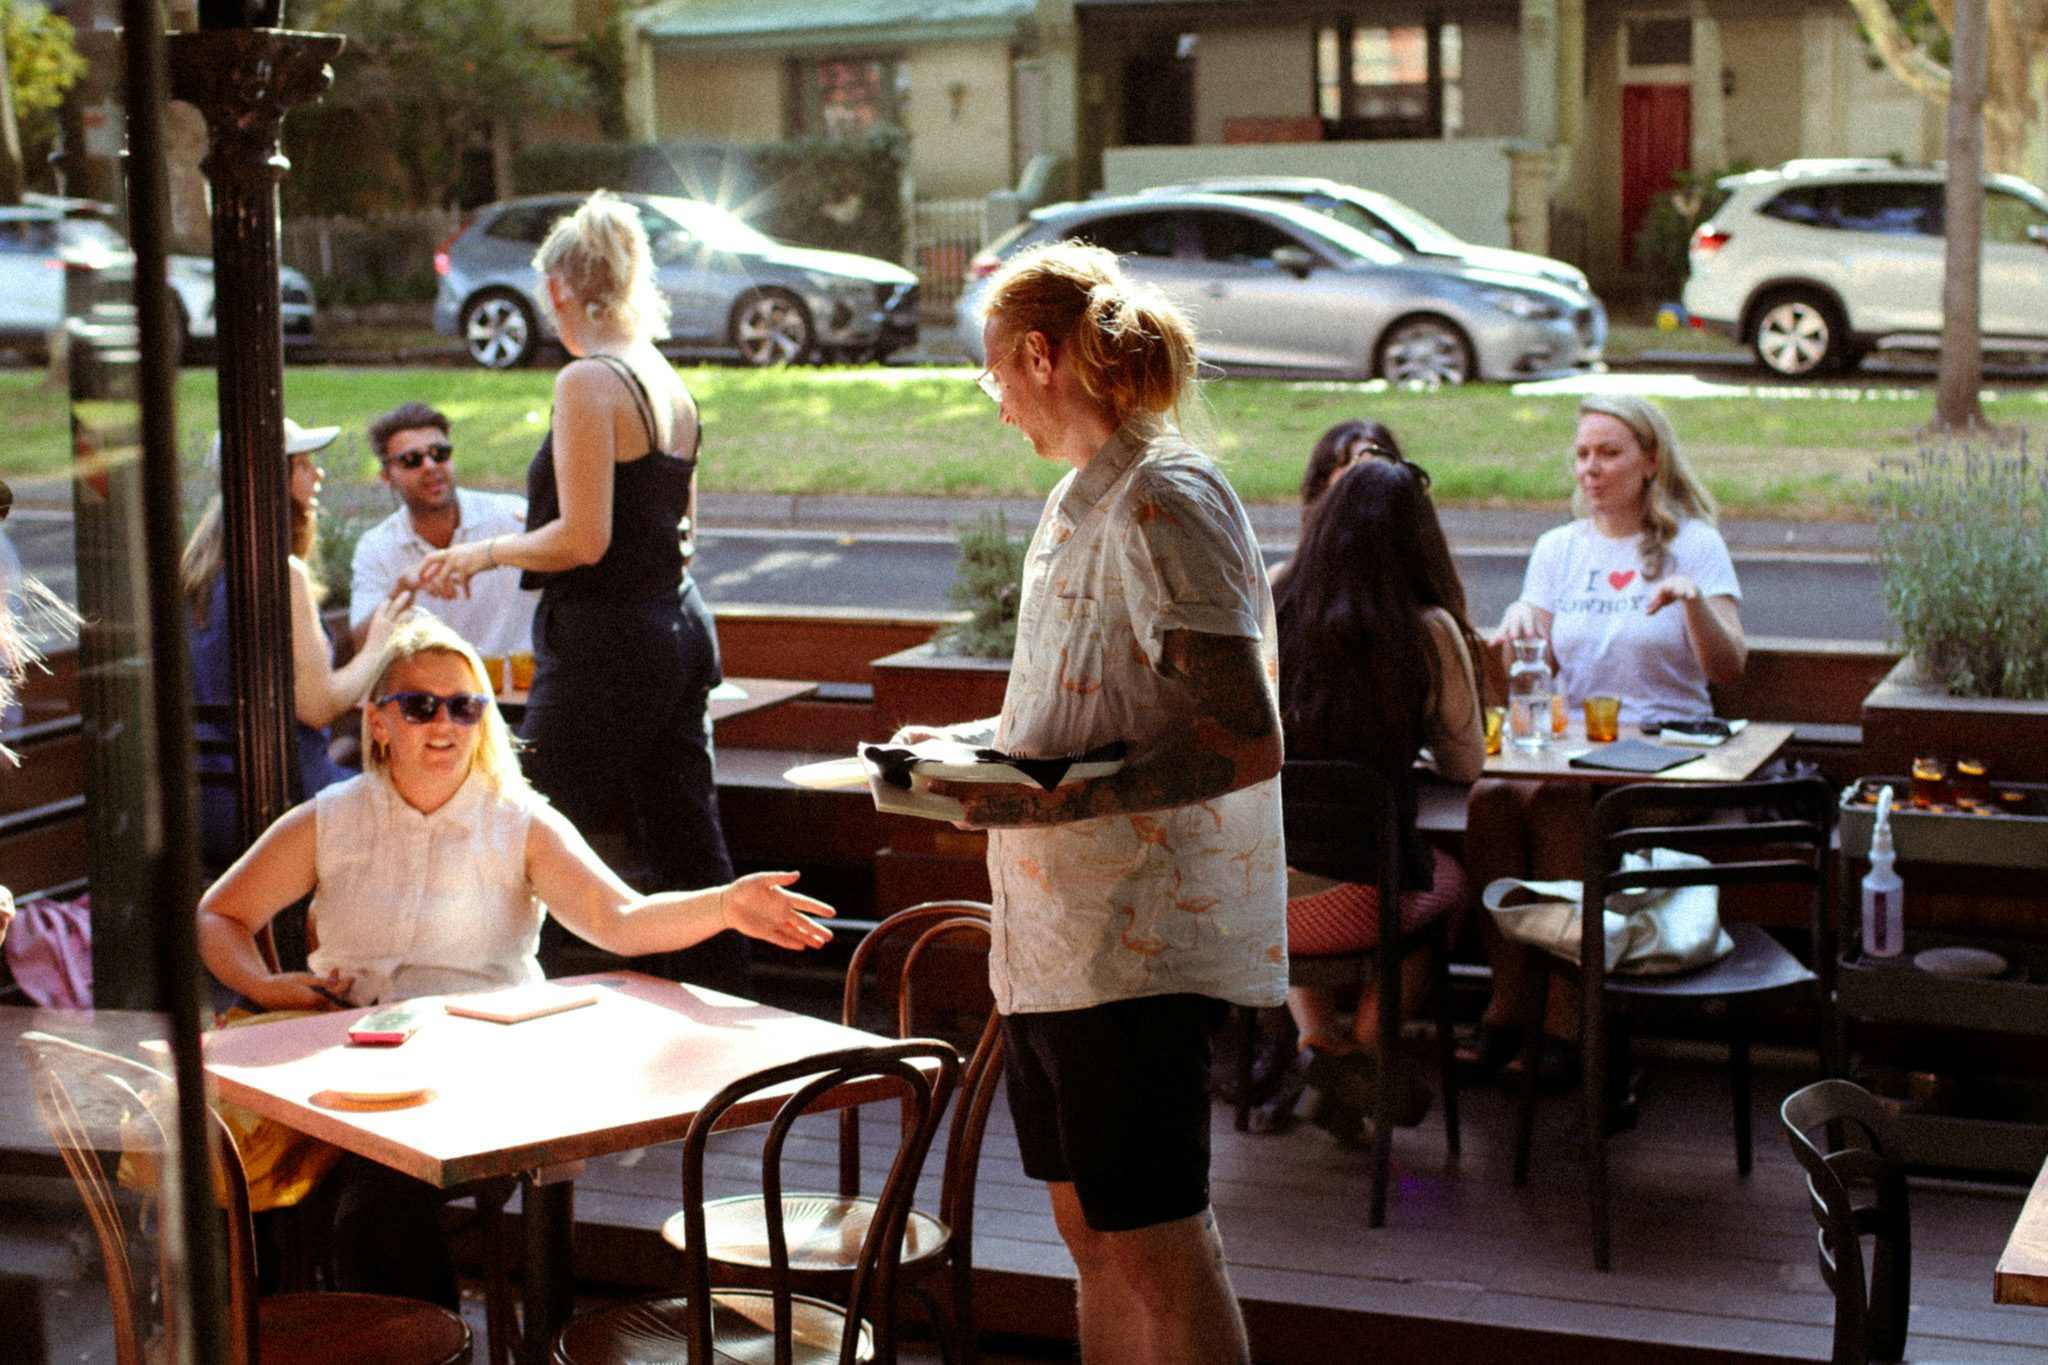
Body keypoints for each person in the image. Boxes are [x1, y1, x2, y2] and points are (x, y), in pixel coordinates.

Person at [195, 613, 834, 1304]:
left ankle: (424, 1350)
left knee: (371, 1210)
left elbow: (616, 918)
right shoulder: (332, 817)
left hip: (477, 1074)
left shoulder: (518, 819)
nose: (445, 724)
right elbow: (220, 913)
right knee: (226, 1192)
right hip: (341, 1064)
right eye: (420, 705)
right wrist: (265, 985)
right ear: (379, 721)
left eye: (465, 706)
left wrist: (723, 905)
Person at [904, 241, 1284, 1365]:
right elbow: (1102, 699)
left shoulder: (1166, 498)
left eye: (992, 378)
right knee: (1088, 1232)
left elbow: (1244, 737)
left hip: (1137, 947)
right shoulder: (1083, 496)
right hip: (1054, 942)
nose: (997, 406)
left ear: (1036, 357)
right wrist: (974, 745)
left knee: (1161, 1243)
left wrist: (1047, 807)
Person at [413, 190, 740, 991]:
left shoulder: (589, 382)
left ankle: (511, 1015)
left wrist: (479, 554)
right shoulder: (665, 380)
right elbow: (677, 528)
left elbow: (583, 539)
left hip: (607, 646)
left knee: (520, 832)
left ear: (558, 289)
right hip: (676, 628)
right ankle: (738, 1032)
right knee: (687, 847)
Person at [1460, 393, 1745, 1084]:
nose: (1592, 467)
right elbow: (1536, 670)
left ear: (1650, 461)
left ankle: (1568, 1017)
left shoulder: (1694, 544)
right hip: (1575, 748)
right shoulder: (1558, 549)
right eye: (1583, 452)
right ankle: (1510, 999)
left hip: (1663, 758)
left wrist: (1692, 603)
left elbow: (1730, 669)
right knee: (1491, 799)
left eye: (1609, 452)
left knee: (1560, 811)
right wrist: (1522, 622)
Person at [1265, 456, 1484, 1140]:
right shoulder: (1427, 631)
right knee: (1442, 885)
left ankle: (1317, 1048)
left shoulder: (1274, 601)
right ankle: (1361, 1060)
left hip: (1256, 904)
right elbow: (1466, 761)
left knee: (1296, 854)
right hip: (1360, 903)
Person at [181, 417, 410, 870]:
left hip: (201, 806)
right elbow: (319, 706)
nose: (318, 474)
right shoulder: (281, 574)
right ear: (270, 479)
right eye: (302, 464)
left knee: (355, 757)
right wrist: (382, 641)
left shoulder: (196, 570)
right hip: (279, 805)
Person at [349, 400, 536, 661]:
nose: (430, 466)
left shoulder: (511, 518)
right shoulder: (377, 546)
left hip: (517, 690)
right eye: (411, 460)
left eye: (440, 453)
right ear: (387, 478)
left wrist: (496, 553)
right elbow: (362, 644)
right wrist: (402, 591)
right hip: (433, 696)